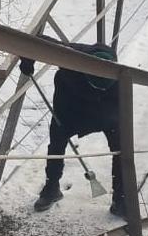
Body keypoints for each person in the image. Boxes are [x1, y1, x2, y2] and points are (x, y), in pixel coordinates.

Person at [19, 40, 126, 217]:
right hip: (70, 106)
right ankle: (51, 187)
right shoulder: (70, 55)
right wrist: (27, 60)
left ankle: (121, 199)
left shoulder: (120, 76)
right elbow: (33, 41)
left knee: (121, 147)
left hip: (104, 111)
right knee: (56, 144)